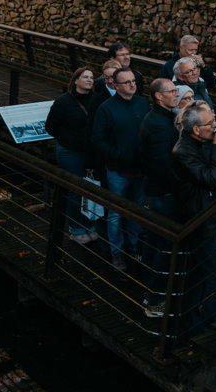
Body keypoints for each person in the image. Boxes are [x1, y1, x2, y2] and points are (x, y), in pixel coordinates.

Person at [171, 102, 216, 337]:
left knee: (199, 275)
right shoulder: (183, 152)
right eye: (210, 124)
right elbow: (209, 178)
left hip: (207, 216)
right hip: (199, 222)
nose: (215, 127)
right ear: (196, 129)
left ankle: (191, 323)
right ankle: (204, 327)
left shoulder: (199, 144)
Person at [91, 68, 150, 270]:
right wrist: (118, 154)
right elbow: (98, 140)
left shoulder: (143, 103)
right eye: (126, 82)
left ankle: (133, 248)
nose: (132, 85)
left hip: (141, 168)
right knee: (116, 212)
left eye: (133, 81)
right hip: (118, 170)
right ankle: (117, 253)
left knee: (137, 210)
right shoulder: (106, 108)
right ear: (115, 86)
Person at [138, 78, 180, 316]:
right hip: (163, 193)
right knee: (162, 247)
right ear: (158, 96)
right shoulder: (157, 124)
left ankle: (153, 295)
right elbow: (162, 165)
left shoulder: (163, 118)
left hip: (160, 191)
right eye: (171, 91)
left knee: (157, 245)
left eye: (175, 91)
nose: (176, 94)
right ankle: (154, 301)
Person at [45, 67, 98, 243]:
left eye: (91, 77)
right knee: (76, 191)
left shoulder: (96, 100)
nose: (89, 80)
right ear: (75, 80)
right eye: (85, 77)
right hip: (70, 153)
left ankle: (90, 225)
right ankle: (76, 229)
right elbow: (50, 127)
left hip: (90, 153)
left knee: (90, 190)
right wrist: (69, 139)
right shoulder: (63, 102)